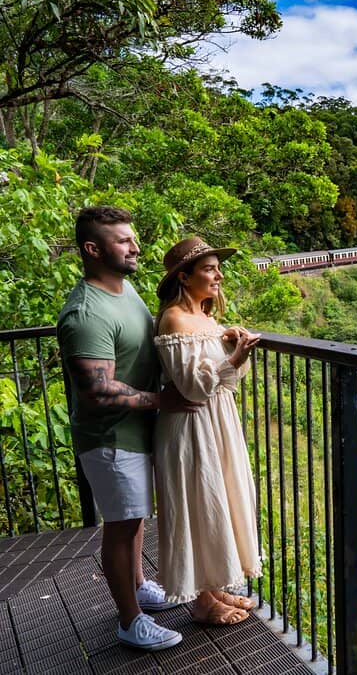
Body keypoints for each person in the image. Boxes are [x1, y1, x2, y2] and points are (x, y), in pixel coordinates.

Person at [58, 206, 200, 651]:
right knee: (120, 526)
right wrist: (162, 400)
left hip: (137, 431)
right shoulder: (86, 314)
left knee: (135, 518)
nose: (136, 247)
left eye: (133, 238)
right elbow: (97, 392)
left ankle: (138, 585)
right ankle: (129, 620)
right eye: (123, 240)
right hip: (110, 439)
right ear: (93, 249)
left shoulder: (126, 290)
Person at [152, 236, 262, 625]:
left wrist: (233, 350)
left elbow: (226, 382)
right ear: (184, 277)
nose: (218, 275)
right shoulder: (175, 320)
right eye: (209, 268)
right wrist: (232, 356)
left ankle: (213, 588)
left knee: (217, 499)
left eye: (218, 267)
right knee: (199, 503)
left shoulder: (206, 318)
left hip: (216, 419)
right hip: (191, 424)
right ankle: (202, 602)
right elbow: (191, 388)